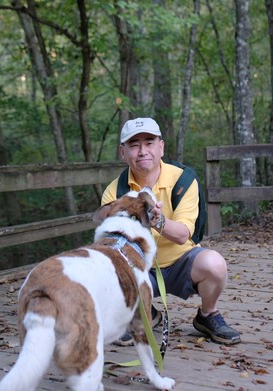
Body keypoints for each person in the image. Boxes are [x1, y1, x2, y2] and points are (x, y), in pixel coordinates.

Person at [101, 117, 241, 345]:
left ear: (161, 147)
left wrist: (156, 218)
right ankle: (145, 313)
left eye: (149, 143)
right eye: (134, 145)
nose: (143, 151)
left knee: (214, 264)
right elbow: (113, 244)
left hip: (181, 261)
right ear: (122, 152)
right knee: (108, 270)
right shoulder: (114, 191)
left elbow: (183, 234)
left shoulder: (183, 179)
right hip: (140, 267)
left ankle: (207, 315)